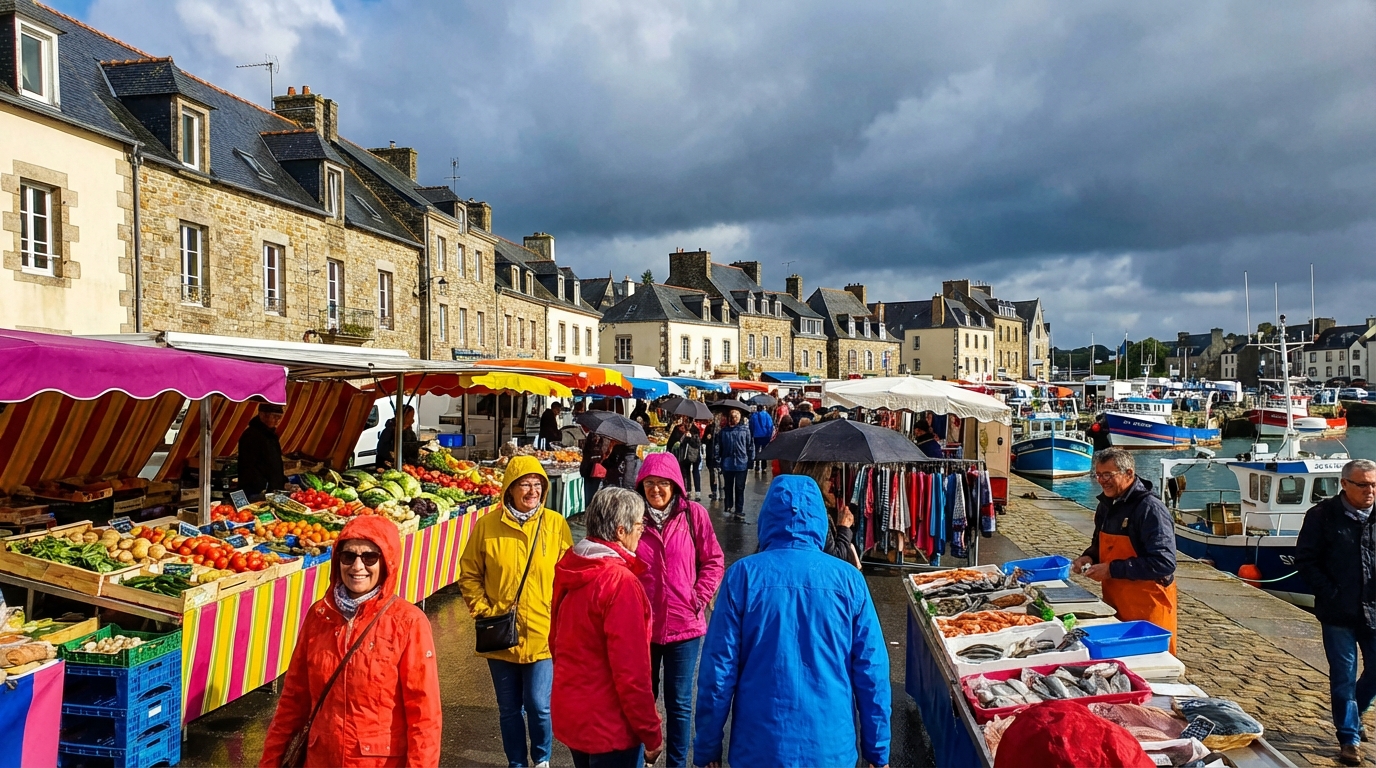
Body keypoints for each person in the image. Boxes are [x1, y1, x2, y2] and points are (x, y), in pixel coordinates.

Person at [693, 475, 890, 768]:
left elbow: (718, 672)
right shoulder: (849, 580)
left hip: (759, 747)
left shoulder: (743, 576)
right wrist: (877, 750)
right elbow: (872, 673)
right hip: (830, 748)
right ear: (819, 518)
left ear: (768, 516)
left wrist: (708, 747)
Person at [260, 515, 442, 767]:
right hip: (321, 759)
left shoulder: (408, 622)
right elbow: (293, 700)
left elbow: (424, 715)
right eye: (348, 556)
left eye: (369, 557)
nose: (357, 566)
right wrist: (270, 761)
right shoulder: (319, 615)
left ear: (387, 562)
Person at [459, 457, 574, 768]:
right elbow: (469, 574)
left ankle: (542, 759)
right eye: (525, 484)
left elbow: (569, 576)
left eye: (538, 485)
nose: (532, 491)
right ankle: (516, 763)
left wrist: (562, 616)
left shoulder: (555, 524)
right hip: (500, 632)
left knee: (539, 705)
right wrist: (483, 610)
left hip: (543, 631)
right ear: (509, 488)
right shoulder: (487, 526)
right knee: (509, 709)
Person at [551, 487, 664, 768]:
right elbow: (632, 672)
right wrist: (650, 732)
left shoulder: (573, 564)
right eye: (639, 525)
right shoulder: (620, 583)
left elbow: (556, 640)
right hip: (610, 725)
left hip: (575, 713)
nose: (642, 531)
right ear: (620, 531)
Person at [634, 455, 725, 767]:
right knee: (640, 700)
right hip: (641, 627)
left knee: (680, 703)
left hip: (684, 626)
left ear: (675, 485)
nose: (656, 489)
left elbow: (713, 560)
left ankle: (676, 763)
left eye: (663, 483)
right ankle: (641, 758)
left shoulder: (693, 515)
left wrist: (698, 597)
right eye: (649, 483)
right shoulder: (632, 515)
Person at [1296, 458, 1376, 766]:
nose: (1370, 491)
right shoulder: (1322, 516)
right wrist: (1330, 593)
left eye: (1374, 484)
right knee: (1343, 676)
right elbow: (1306, 560)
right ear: (1344, 484)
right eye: (1363, 484)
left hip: (1373, 609)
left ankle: (1357, 712)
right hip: (1338, 612)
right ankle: (1348, 739)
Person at [1072, 448, 1178, 654]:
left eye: (1108, 475)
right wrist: (1089, 556)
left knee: (1151, 661)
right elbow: (1099, 543)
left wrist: (1111, 570)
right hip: (1115, 602)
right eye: (1098, 475)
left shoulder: (1150, 509)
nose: (1102, 481)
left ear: (1129, 473)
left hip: (1148, 607)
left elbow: (1164, 562)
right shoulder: (1106, 504)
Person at [794, 462, 860, 568]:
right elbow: (834, 559)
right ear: (818, 480)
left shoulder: (794, 505)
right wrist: (844, 528)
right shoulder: (815, 514)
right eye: (829, 479)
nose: (833, 485)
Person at [238, 402, 285, 498]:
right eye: (275, 417)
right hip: (258, 490)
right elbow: (249, 466)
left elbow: (275, 463)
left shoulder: (271, 435)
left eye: (279, 417)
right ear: (262, 415)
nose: (277, 421)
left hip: (272, 489)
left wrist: (283, 481)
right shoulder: (251, 435)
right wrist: (262, 487)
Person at [714, 408, 754, 521]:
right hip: (728, 464)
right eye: (733, 417)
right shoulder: (723, 432)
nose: (735, 419)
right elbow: (718, 447)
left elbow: (750, 446)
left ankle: (738, 510)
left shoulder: (745, 431)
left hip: (741, 463)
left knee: (739, 488)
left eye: (736, 416)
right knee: (728, 487)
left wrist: (751, 460)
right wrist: (718, 461)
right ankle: (729, 506)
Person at [667, 417, 703, 501]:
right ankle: (687, 491)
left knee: (695, 471)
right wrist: (682, 438)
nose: (687, 422)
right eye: (686, 420)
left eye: (689, 420)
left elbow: (698, 443)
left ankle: (697, 492)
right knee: (685, 472)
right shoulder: (679, 429)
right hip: (684, 454)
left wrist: (691, 437)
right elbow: (672, 441)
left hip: (694, 454)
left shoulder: (695, 429)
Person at [377, 404, 421, 469]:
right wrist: (391, 455)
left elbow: (414, 454)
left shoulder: (411, 433)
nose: (412, 419)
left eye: (412, 416)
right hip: (387, 467)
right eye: (410, 416)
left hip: (407, 467)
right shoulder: (389, 431)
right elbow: (381, 449)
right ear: (402, 416)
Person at [748, 405, 774, 474]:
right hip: (765, 436)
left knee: (756, 450)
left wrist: (752, 434)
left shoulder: (753, 416)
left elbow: (751, 426)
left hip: (756, 436)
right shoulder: (767, 415)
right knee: (764, 451)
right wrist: (769, 434)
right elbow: (770, 426)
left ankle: (757, 466)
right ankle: (764, 467)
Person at [702, 417, 721, 502]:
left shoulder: (720, 428)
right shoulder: (708, 428)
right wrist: (707, 438)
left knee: (719, 473)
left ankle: (721, 492)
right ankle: (714, 492)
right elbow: (703, 440)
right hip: (710, 454)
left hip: (718, 454)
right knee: (712, 473)